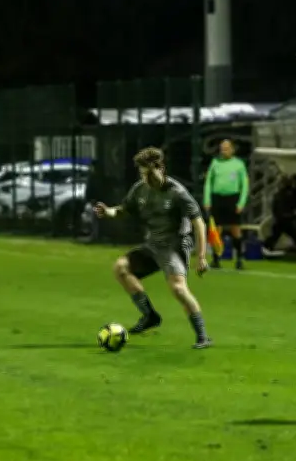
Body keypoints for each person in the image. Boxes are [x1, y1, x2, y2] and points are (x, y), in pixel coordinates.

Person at [93, 146, 212, 349]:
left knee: (178, 289)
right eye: (142, 174)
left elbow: (199, 222)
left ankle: (203, 336)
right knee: (121, 268)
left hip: (174, 247)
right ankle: (149, 315)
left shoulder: (177, 192)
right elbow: (124, 210)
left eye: (149, 174)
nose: (146, 179)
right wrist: (108, 212)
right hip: (152, 245)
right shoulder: (140, 189)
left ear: (161, 168)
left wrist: (201, 256)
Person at [203, 139, 250, 269]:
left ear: (232, 150)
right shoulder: (215, 163)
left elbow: (245, 185)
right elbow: (208, 182)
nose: (224, 151)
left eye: (227, 148)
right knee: (216, 230)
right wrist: (207, 200)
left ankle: (239, 259)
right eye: (222, 148)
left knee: (236, 230)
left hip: (233, 198)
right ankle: (216, 259)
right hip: (217, 198)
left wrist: (241, 203)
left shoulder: (239, 164)